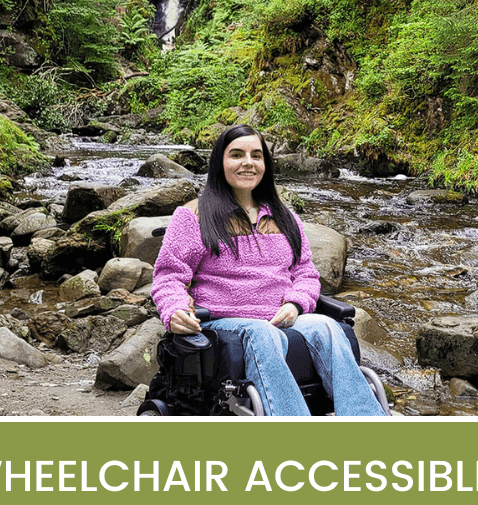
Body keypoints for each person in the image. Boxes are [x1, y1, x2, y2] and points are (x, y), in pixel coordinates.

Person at [149, 124, 387, 417]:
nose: (248, 163)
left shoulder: (284, 218)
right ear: (219, 162)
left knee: (328, 327)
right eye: (237, 155)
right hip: (223, 321)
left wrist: (295, 303)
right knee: (261, 334)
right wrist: (173, 310)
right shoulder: (193, 216)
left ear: (265, 164)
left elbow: (306, 274)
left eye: (256, 155)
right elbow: (169, 276)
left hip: (279, 317)